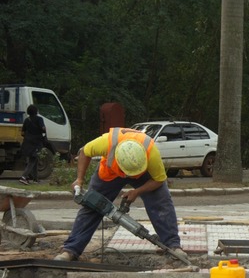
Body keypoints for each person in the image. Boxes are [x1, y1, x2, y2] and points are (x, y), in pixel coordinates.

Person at [54, 127, 188, 262]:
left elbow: (159, 180)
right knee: (92, 206)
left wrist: (137, 191)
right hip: (109, 174)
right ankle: (71, 250)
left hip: (144, 175)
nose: (129, 177)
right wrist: (79, 179)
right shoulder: (106, 143)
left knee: (161, 203)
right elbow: (84, 152)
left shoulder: (151, 153)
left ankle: (173, 246)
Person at [19, 104, 46, 185]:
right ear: (36, 111)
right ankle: (23, 177)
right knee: (33, 160)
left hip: (27, 142)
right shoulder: (39, 119)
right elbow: (43, 129)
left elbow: (22, 132)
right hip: (36, 143)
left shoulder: (27, 120)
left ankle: (35, 178)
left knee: (35, 159)